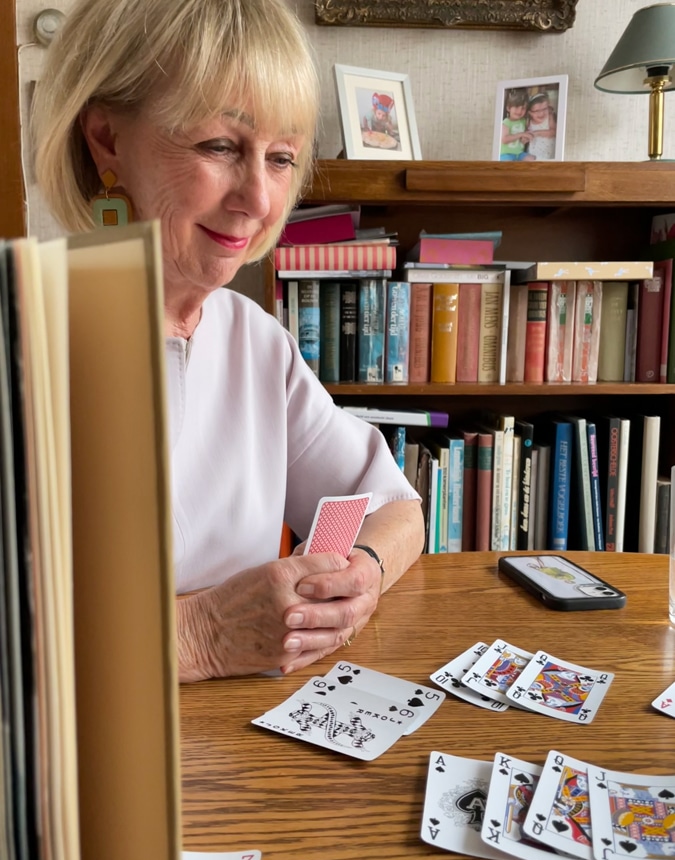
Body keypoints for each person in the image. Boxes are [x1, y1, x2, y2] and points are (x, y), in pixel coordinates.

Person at [32, 0, 425, 681]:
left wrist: (360, 577)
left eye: (280, 158)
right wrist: (196, 636)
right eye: (220, 146)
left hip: (243, 754)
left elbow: (395, 507)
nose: (260, 199)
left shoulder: (255, 341)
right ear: (105, 139)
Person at [499, 89, 534, 162]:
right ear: (508, 108)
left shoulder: (523, 121)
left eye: (523, 108)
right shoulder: (506, 122)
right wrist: (521, 134)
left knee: (533, 160)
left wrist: (526, 138)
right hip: (506, 154)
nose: (519, 111)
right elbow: (504, 139)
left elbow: (527, 133)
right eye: (517, 107)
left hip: (520, 154)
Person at [525, 92, 557, 161]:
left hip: (550, 155)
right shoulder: (529, 122)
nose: (541, 113)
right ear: (530, 113)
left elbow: (554, 132)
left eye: (544, 109)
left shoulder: (549, 117)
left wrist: (537, 133)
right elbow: (525, 136)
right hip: (534, 155)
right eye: (537, 111)